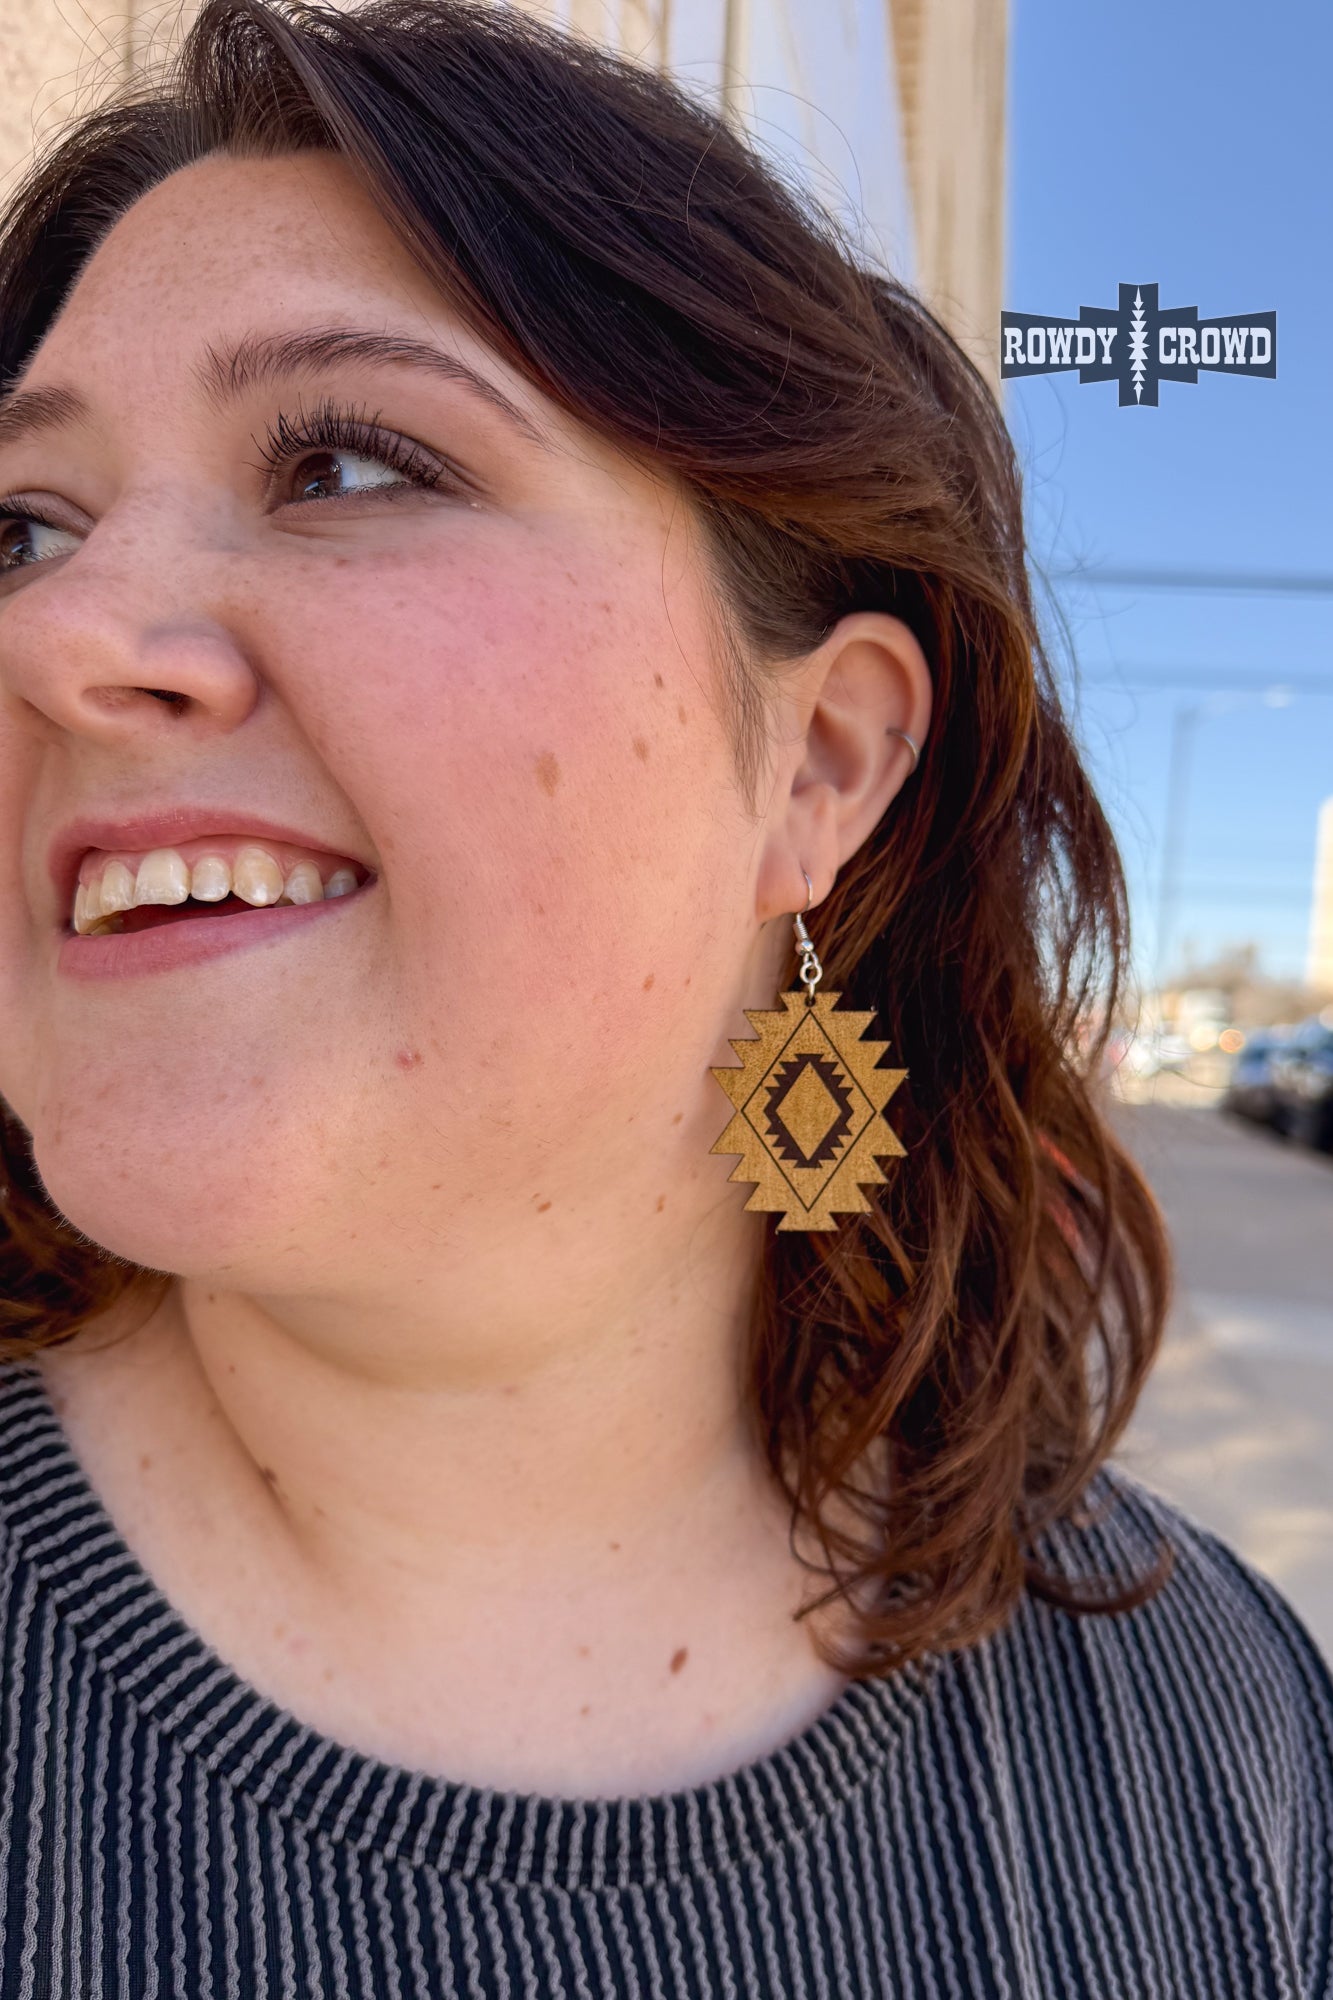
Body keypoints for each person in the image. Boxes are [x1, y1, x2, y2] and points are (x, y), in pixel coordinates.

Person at [0, 1, 1327, 1993]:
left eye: (346, 462)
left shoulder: (1211, 1742)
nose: (64, 631)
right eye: (22, 527)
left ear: (817, 768)